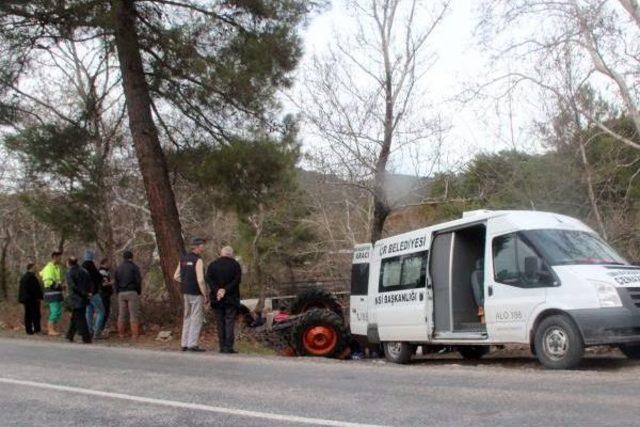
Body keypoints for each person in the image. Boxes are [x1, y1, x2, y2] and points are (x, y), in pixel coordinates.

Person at [174, 237, 209, 352]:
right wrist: (205, 294)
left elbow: (176, 276)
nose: (204, 247)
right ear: (198, 247)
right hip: (196, 292)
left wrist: (186, 282)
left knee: (187, 317)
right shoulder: (198, 260)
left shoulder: (183, 258)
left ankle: (184, 343)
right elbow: (200, 280)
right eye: (203, 245)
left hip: (185, 292)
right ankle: (192, 344)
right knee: (196, 318)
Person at [206, 246, 242, 354]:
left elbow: (208, 279)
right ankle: (229, 346)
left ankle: (222, 346)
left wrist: (218, 290)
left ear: (221, 253)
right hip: (231, 297)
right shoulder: (235, 265)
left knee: (220, 322)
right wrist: (225, 290)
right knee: (229, 321)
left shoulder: (212, 265)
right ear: (231, 254)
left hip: (217, 298)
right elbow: (237, 280)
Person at [114, 250, 142, 339]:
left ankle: (121, 334)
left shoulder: (118, 268)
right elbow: (138, 280)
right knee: (133, 314)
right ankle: (134, 335)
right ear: (131, 257)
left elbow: (116, 281)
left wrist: (117, 291)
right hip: (132, 291)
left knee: (121, 315)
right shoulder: (134, 267)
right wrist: (138, 291)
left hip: (121, 293)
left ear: (123, 257)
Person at [65, 256, 92, 343]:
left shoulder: (70, 273)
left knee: (80, 318)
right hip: (84, 297)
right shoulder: (84, 271)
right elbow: (89, 283)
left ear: (69, 263)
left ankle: (86, 338)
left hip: (76, 298)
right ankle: (70, 335)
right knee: (75, 317)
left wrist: (82, 294)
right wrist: (88, 293)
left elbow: (73, 287)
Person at [82, 250, 106, 339]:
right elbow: (98, 278)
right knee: (101, 311)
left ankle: (89, 331)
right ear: (92, 257)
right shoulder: (91, 266)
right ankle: (97, 332)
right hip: (93, 293)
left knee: (89, 312)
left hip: (85, 294)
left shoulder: (81, 267)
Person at [40, 251, 64, 336]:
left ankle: (53, 328)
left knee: (58, 311)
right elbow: (48, 282)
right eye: (59, 257)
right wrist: (58, 286)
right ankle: (50, 330)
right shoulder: (49, 268)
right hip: (51, 293)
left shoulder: (57, 267)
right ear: (54, 257)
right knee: (54, 311)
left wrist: (60, 286)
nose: (60, 259)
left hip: (56, 292)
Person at [18, 262, 43, 335]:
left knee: (28, 314)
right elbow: (34, 289)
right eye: (35, 268)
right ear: (31, 268)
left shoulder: (24, 277)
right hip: (32, 299)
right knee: (35, 314)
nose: (36, 269)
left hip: (26, 299)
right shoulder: (31, 277)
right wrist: (38, 297)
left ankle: (28, 330)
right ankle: (37, 329)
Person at [98, 258, 114, 331]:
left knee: (106, 312)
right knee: (104, 312)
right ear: (104, 263)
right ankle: (99, 328)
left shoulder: (107, 272)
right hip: (103, 294)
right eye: (108, 263)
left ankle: (101, 328)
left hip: (106, 294)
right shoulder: (102, 272)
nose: (109, 264)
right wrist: (111, 283)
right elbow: (103, 284)